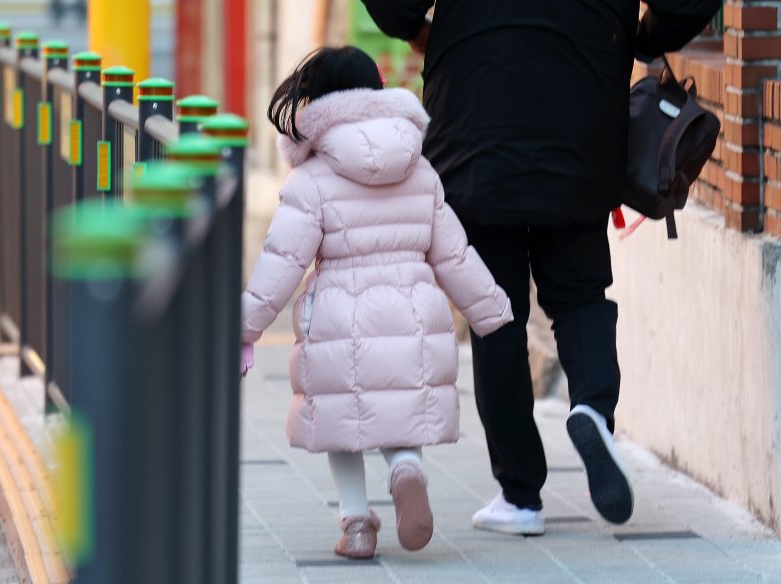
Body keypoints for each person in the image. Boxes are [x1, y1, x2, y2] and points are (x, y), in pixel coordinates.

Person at [360, 0, 723, 534]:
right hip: (582, 122)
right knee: (580, 293)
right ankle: (593, 410)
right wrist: (644, 37)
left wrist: (417, 30)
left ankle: (521, 496)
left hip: (474, 121)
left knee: (496, 312)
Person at [239, 46, 513, 559]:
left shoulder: (312, 179)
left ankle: (357, 523)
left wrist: (245, 325)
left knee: (344, 423)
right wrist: (490, 309)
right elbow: (454, 254)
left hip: (341, 321)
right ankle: (406, 470)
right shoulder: (419, 170)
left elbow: (282, 264)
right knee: (398, 412)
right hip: (414, 316)